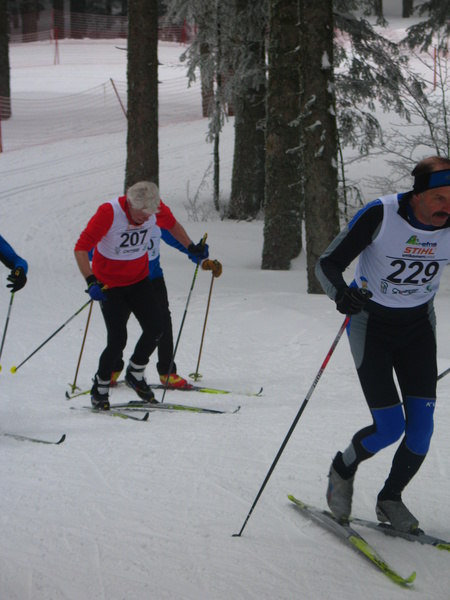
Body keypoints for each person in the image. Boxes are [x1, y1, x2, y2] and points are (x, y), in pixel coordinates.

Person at [315, 156, 450, 533]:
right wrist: (342, 295)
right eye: (439, 198)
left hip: (418, 328)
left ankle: (390, 498)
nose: (447, 208)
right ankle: (342, 469)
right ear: (418, 194)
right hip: (371, 325)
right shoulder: (382, 214)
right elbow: (327, 264)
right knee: (389, 428)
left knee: (421, 430)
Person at [74, 181, 207, 410]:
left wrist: (191, 247)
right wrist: (90, 279)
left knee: (157, 327)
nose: (146, 219)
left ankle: (135, 372)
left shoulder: (155, 210)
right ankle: (100, 387)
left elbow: (172, 226)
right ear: (130, 203)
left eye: (149, 216)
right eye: (141, 215)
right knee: (117, 340)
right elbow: (81, 247)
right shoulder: (109, 212)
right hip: (109, 285)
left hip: (138, 279)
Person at [109, 218, 223, 390]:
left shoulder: (156, 219)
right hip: (123, 281)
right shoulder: (120, 220)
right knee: (118, 325)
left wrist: (201, 260)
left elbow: (178, 240)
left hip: (153, 279)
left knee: (162, 323)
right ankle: (112, 368)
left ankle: (167, 372)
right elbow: (96, 249)